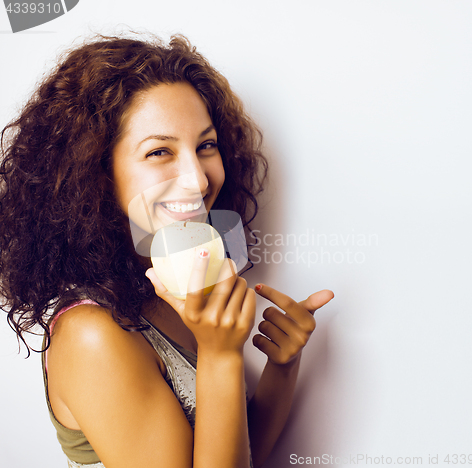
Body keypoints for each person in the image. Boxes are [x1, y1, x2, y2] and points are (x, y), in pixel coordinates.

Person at [0, 32, 334, 468]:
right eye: (159, 151)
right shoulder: (91, 334)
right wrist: (218, 354)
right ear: (95, 171)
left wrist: (283, 366)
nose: (198, 180)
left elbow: (240, 453)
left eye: (206, 145)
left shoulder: (173, 286)